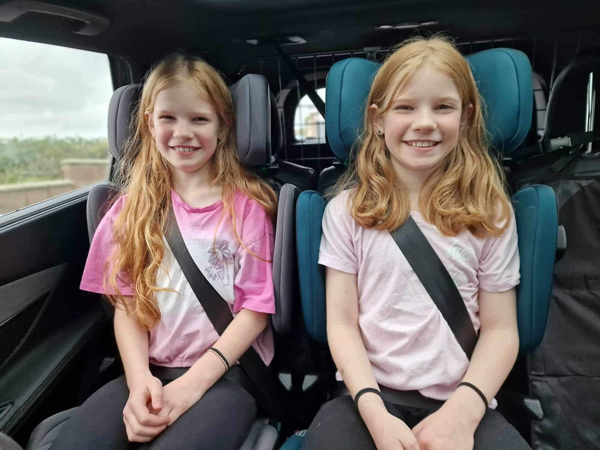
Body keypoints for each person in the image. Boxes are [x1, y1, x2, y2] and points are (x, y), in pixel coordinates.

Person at [301, 37, 530, 450]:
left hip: (463, 399)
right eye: (405, 107)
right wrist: (374, 413)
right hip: (367, 397)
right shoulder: (346, 213)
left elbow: (500, 329)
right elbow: (342, 323)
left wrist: (463, 414)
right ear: (377, 119)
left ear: (466, 117)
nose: (424, 122)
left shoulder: (489, 212)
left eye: (442, 107)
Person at [51, 53, 278, 450]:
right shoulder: (128, 211)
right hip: (149, 370)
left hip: (226, 374)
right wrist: (139, 381)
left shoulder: (248, 210)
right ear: (149, 125)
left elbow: (256, 310)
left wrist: (192, 385)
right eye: (168, 118)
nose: (182, 132)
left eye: (199, 119)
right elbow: (127, 306)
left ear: (223, 129)